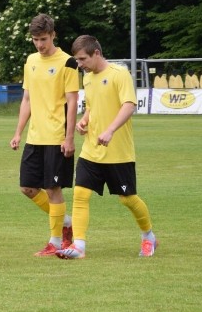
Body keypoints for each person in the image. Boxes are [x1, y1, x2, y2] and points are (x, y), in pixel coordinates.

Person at [57, 35, 157, 259]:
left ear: (97, 53)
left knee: (128, 198)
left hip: (118, 151)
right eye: (77, 59)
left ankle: (148, 236)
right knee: (81, 193)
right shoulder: (88, 78)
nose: (79, 64)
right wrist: (85, 121)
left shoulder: (119, 74)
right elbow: (92, 106)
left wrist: (110, 130)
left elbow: (129, 105)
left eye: (82, 59)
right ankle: (79, 246)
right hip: (92, 150)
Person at [9, 14, 77, 256]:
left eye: (44, 39)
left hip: (56, 137)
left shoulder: (68, 63)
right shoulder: (31, 61)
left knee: (53, 190)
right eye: (36, 40)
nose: (40, 44)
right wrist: (18, 132)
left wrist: (69, 138)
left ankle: (56, 241)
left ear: (53, 35)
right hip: (34, 137)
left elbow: (72, 101)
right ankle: (66, 222)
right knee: (27, 187)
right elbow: (26, 99)